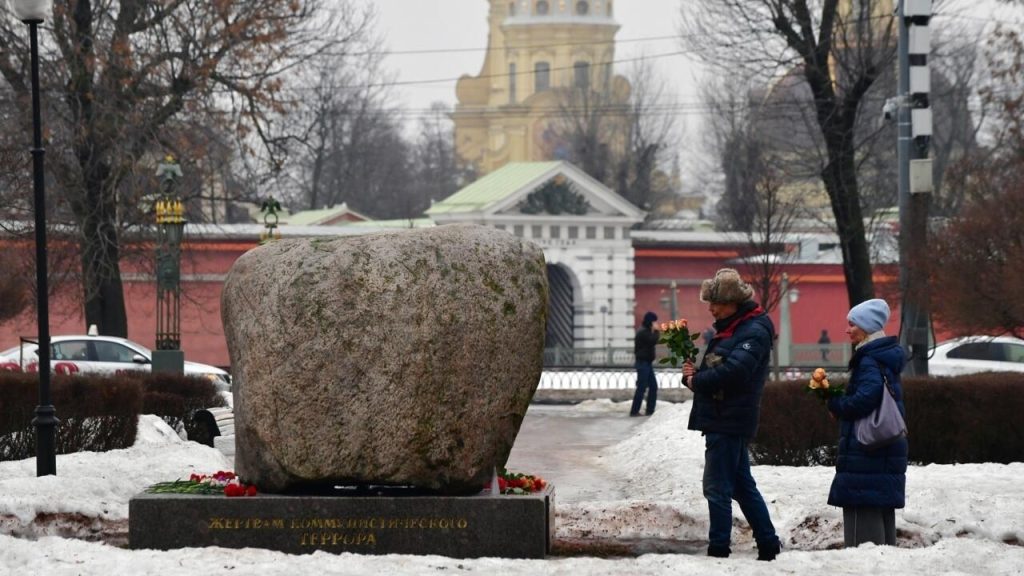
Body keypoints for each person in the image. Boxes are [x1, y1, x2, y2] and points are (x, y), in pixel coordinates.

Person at [681, 268, 781, 561]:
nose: (711, 309)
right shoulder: (737, 327)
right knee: (741, 485)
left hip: (729, 418)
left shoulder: (753, 330)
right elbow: (722, 367)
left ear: (733, 303)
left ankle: (719, 548)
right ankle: (767, 542)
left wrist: (698, 381)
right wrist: (694, 376)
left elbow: (736, 372)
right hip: (725, 415)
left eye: (716, 303)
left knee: (717, 488)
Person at [826, 298, 908, 547]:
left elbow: (866, 399)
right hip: (882, 448)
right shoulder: (883, 357)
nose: (848, 329)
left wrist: (836, 403)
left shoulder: (869, 359)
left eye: (853, 324)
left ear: (866, 327)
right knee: (880, 510)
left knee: (863, 519)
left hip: (867, 450)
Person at [630, 311, 660, 417]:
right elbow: (652, 341)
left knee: (653, 386)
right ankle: (634, 411)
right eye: (655, 321)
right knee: (642, 387)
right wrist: (656, 331)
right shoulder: (643, 332)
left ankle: (650, 410)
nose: (657, 323)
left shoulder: (645, 330)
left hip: (647, 363)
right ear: (651, 322)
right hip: (643, 363)